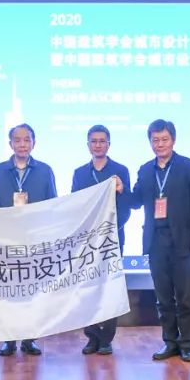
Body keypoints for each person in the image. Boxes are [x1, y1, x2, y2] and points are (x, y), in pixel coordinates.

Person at [130, 119, 190, 362]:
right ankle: (170, 342)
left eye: (164, 139)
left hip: (183, 241)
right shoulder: (145, 169)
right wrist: (120, 189)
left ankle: (187, 344)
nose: (160, 144)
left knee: (184, 297)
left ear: (173, 140)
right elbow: (135, 201)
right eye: (155, 140)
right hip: (156, 242)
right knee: (163, 297)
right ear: (150, 142)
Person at [0, 123, 58, 356]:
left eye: (27, 140)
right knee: (7, 292)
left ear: (34, 143)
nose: (22, 144)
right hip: (6, 242)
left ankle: (29, 338)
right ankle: (8, 339)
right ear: (10, 144)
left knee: (32, 292)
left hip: (34, 242)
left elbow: (52, 204)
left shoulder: (45, 170)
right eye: (17, 140)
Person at [71, 124, 133, 355]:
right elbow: (75, 205)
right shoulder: (80, 173)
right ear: (88, 145)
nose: (98, 145)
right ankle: (92, 337)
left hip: (112, 238)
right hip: (87, 241)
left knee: (110, 287)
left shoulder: (120, 170)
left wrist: (122, 190)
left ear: (109, 144)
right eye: (93, 141)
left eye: (102, 141)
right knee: (88, 287)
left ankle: (106, 338)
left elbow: (128, 205)